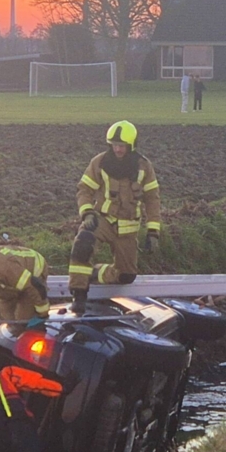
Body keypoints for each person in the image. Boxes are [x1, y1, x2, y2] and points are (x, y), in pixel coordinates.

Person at [68, 120, 161, 314]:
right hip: (102, 220)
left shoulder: (144, 166)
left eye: (122, 146)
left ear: (132, 145)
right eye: (114, 145)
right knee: (83, 242)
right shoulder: (100, 162)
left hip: (128, 229)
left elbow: (152, 200)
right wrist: (86, 212)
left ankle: (96, 272)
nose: (118, 149)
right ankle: (78, 294)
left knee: (126, 276)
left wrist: (153, 232)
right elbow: (84, 190)